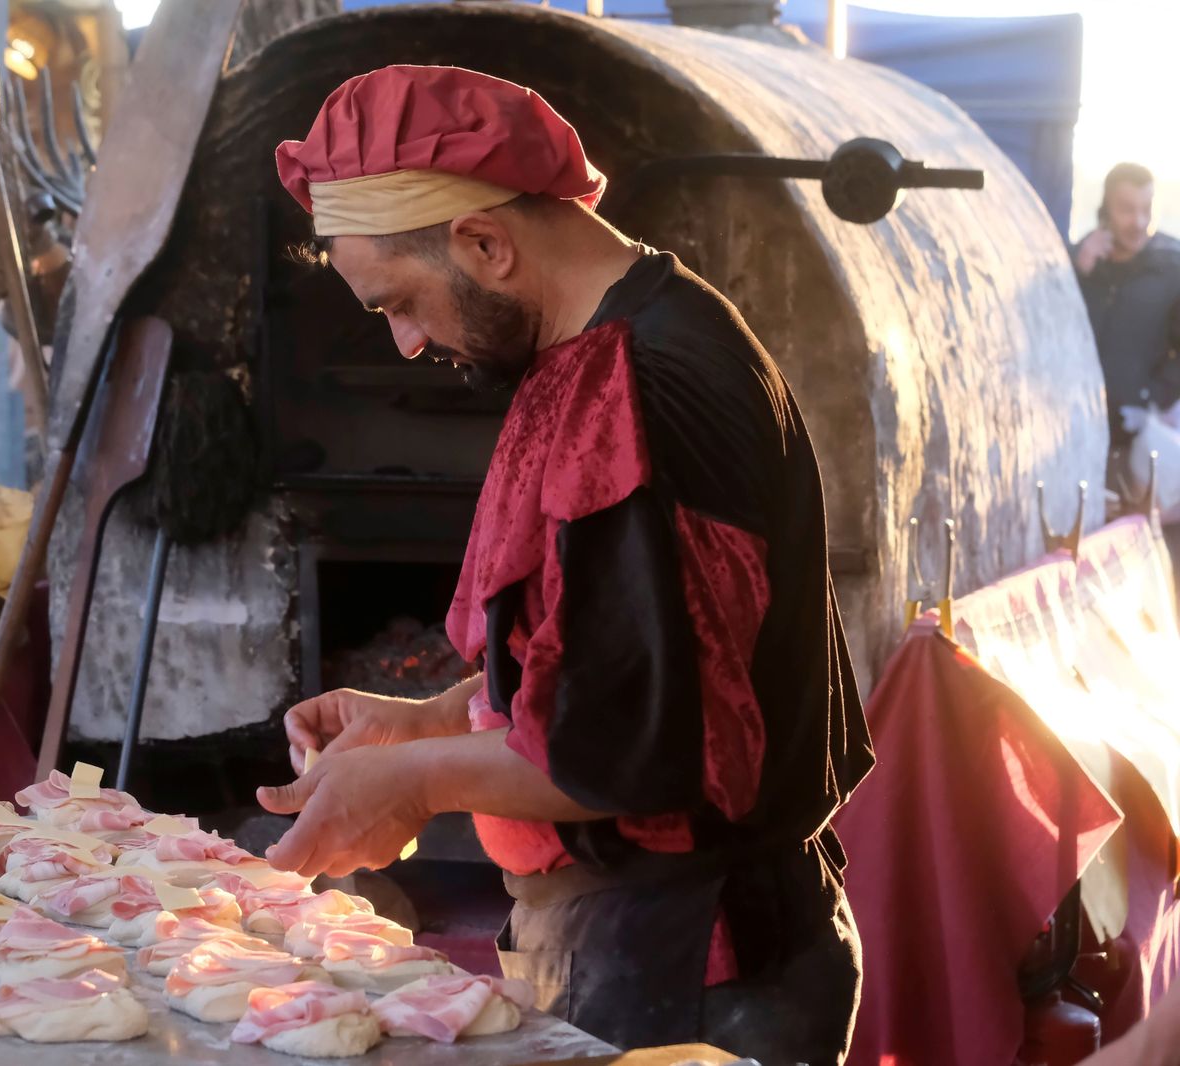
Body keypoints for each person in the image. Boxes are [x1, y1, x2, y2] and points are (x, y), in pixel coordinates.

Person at [254, 66, 873, 1062]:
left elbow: (629, 748)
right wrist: (431, 719)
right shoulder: (629, 337)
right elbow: (623, 655)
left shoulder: (635, 386)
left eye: (398, 304)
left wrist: (412, 786)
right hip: (651, 941)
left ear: (486, 244)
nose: (407, 344)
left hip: (689, 965)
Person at [1074, 162, 1180, 445]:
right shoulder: (1081, 262)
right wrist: (1079, 272)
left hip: (1141, 429)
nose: (1139, 222)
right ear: (1105, 211)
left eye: (1146, 209)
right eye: (1127, 209)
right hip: (1079, 425)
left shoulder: (1172, 268)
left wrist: (1152, 398)